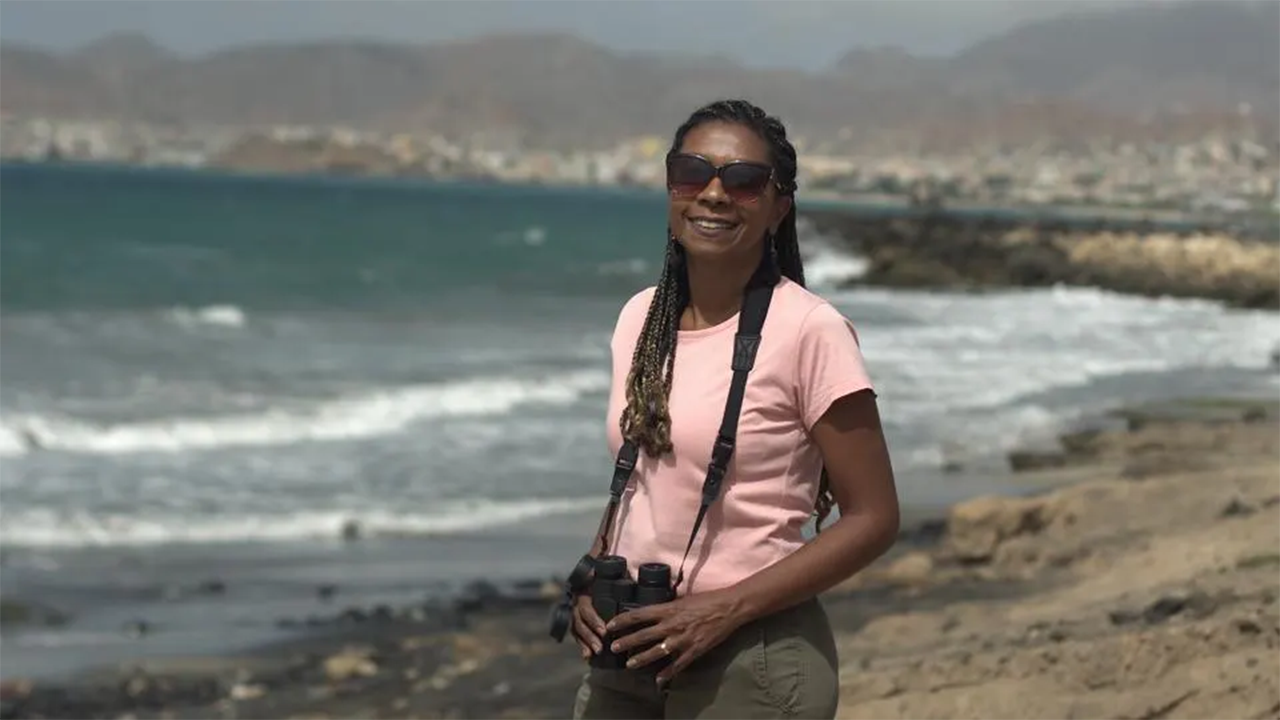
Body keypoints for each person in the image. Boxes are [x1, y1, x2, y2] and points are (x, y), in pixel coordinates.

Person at [569, 99, 901, 719]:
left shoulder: (811, 330)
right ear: (672, 188)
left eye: (745, 181)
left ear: (780, 208)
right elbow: (646, 477)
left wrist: (724, 608)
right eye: (693, 173)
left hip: (754, 657)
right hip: (631, 646)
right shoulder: (640, 317)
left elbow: (874, 517)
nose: (715, 194)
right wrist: (595, 574)